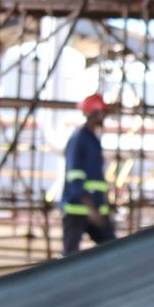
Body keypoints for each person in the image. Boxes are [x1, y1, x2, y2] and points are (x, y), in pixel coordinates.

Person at [62, 93, 115, 256]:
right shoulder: (79, 140)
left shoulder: (93, 140)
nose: (104, 116)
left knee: (113, 249)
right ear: (95, 114)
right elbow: (75, 178)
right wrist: (91, 209)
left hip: (96, 207)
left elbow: (97, 179)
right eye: (102, 113)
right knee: (70, 256)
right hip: (79, 209)